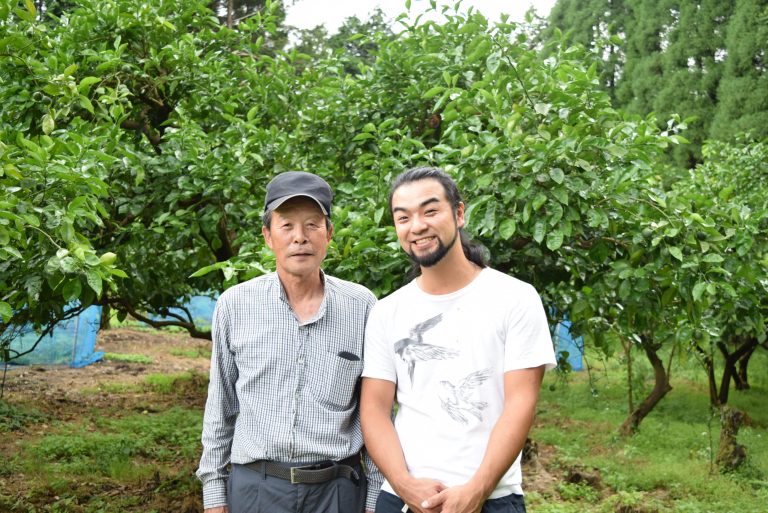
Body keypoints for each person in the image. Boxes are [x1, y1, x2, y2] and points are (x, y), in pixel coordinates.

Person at [361, 167, 557, 513]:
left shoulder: (514, 298)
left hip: (491, 499)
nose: (417, 226)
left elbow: (521, 402)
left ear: (459, 213)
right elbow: (375, 409)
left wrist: (477, 489)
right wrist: (405, 485)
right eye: (403, 217)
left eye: (430, 211)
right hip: (405, 500)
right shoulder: (387, 311)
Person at [197, 171, 382, 513]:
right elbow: (221, 405)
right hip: (257, 488)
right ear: (268, 236)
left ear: (329, 234)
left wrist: (375, 498)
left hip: (338, 490)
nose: (300, 237)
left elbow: (375, 411)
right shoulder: (236, 304)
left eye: (312, 225)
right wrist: (214, 492)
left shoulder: (362, 306)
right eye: (287, 226)